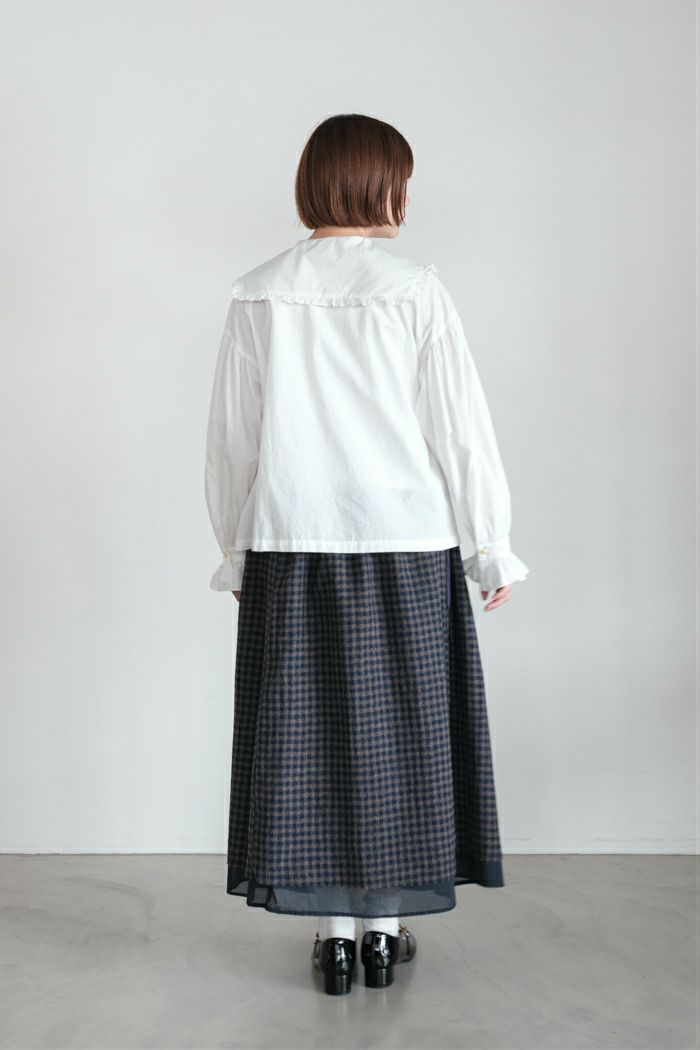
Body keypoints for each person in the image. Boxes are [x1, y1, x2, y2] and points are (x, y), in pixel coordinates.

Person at [204, 113, 529, 996]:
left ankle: (337, 937)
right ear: (383, 187)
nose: (407, 197)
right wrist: (490, 544)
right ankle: (385, 930)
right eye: (403, 181)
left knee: (305, 736)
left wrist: (235, 546)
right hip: (406, 542)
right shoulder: (415, 288)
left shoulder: (258, 293)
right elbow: (460, 426)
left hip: (293, 541)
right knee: (404, 737)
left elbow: (232, 438)